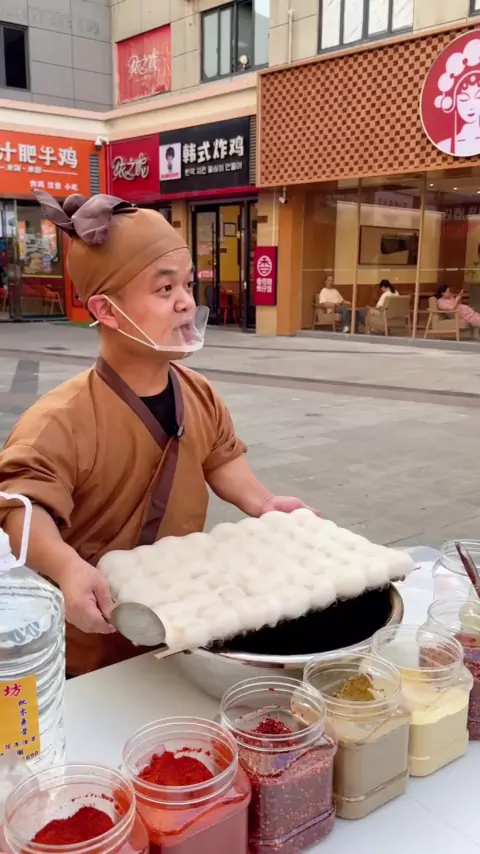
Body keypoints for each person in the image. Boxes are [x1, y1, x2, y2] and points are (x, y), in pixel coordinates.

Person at [0, 191, 317, 677]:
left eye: (187, 284)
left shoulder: (199, 392)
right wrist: (65, 566)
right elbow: (23, 507)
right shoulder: (59, 419)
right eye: (165, 289)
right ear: (107, 310)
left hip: (181, 620)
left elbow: (220, 458)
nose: (187, 302)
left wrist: (264, 503)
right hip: (95, 638)